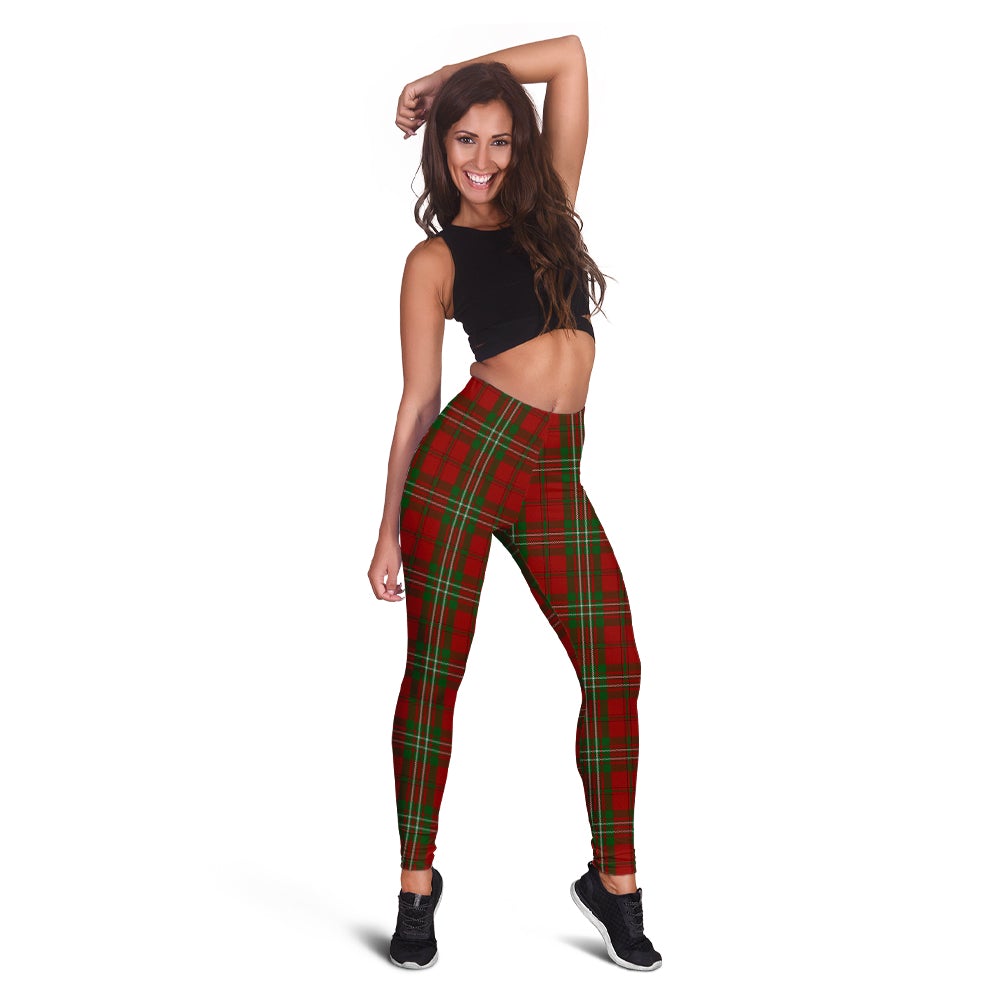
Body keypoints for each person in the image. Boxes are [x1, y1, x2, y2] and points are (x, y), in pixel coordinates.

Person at [367, 35, 662, 972]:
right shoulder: (434, 258)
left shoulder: (551, 214)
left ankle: (613, 882)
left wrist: (442, 77)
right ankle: (416, 885)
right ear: (440, 148)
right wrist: (386, 530)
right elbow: (418, 402)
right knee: (436, 675)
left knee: (614, 666)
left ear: (521, 146)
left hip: (553, 474)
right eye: (465, 138)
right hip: (466, 463)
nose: (483, 160)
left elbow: (569, 57)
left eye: (499, 140)